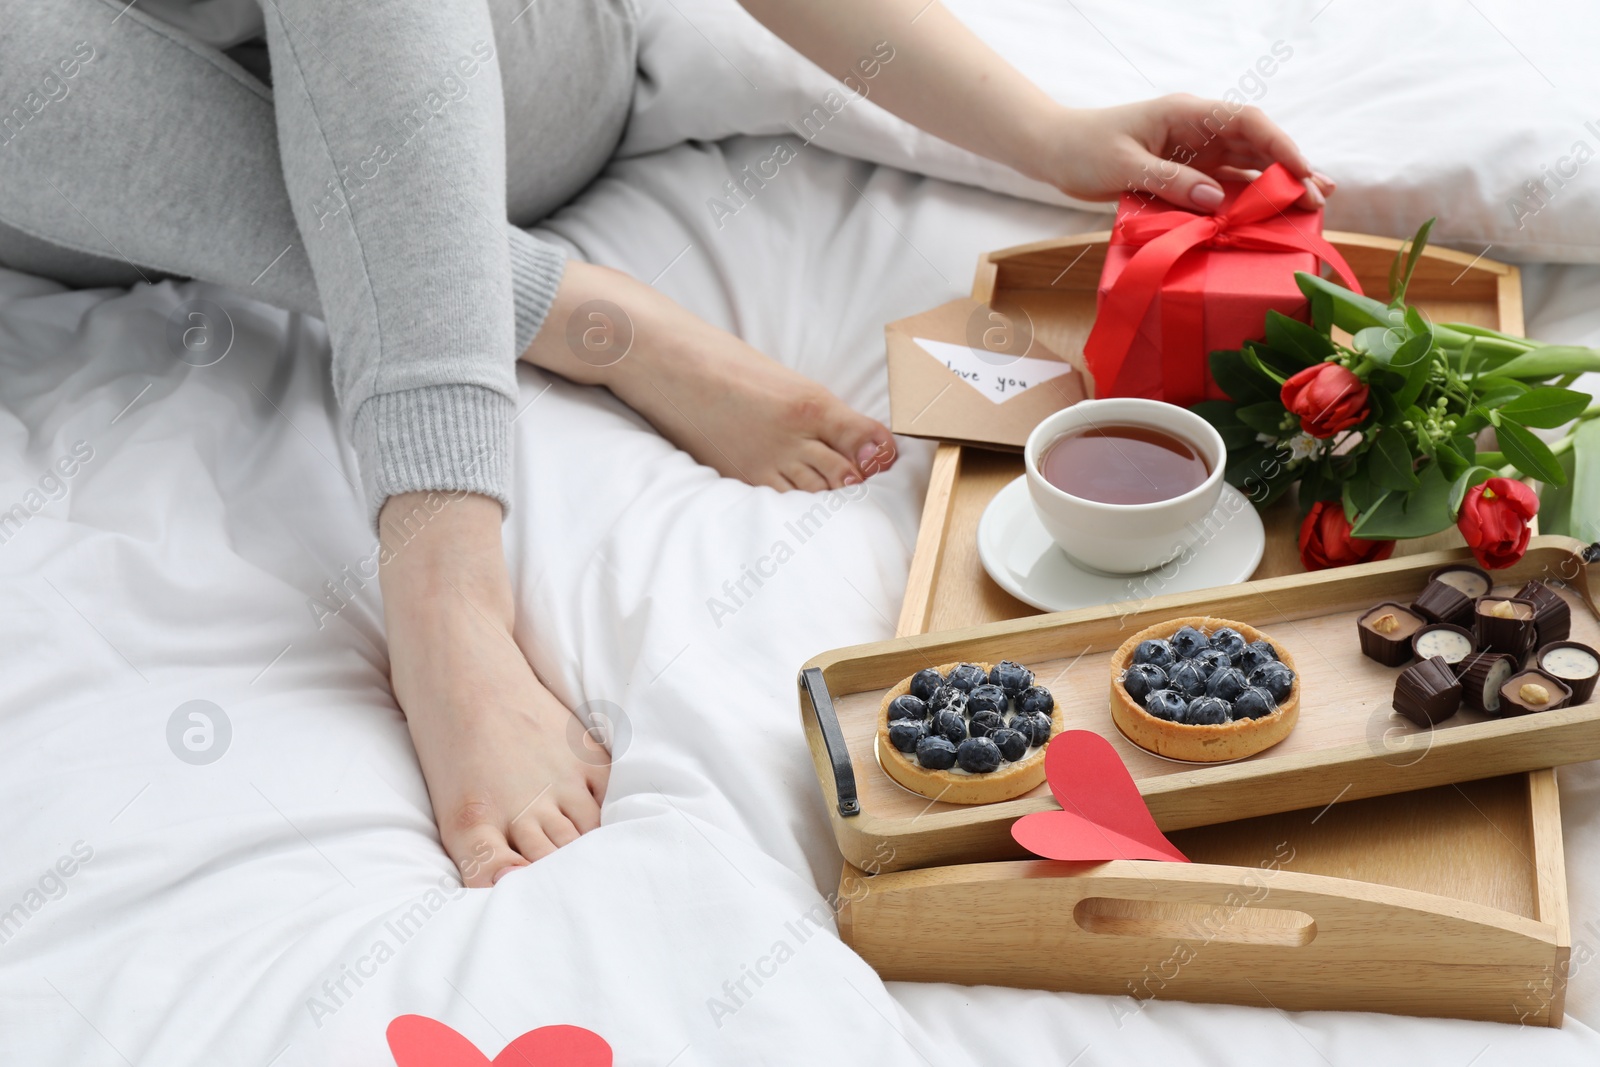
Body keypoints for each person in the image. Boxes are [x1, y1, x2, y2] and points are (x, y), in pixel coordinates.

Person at [0, 0, 1332, 886]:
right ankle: (555, 305)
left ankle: (447, 577)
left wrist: (1048, 133)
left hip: (470, 70)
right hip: (90, 153)